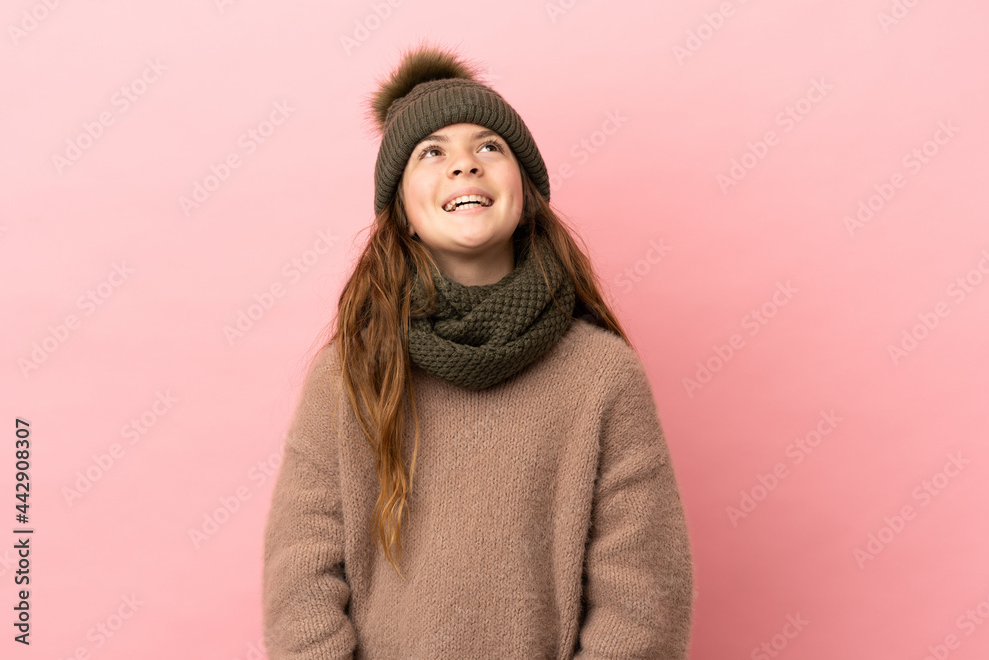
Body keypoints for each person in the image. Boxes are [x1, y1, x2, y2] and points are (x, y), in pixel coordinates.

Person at [261, 41, 695, 659]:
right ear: (402, 212)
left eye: (489, 146)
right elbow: (300, 586)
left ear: (525, 194)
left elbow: (643, 597)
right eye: (431, 153)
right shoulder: (350, 374)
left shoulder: (603, 375)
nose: (464, 165)